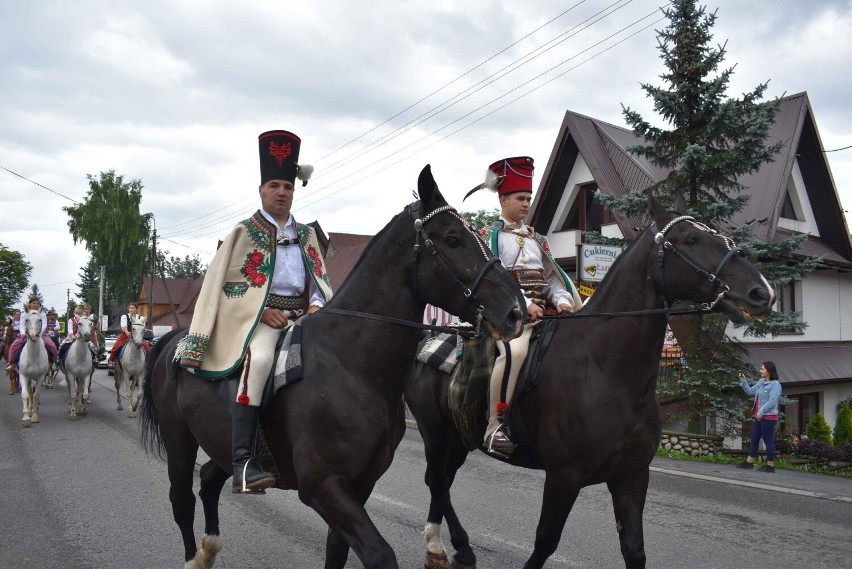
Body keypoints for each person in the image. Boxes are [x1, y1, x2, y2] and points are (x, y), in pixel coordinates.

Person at [178, 129, 333, 493]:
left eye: (288, 187)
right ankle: (243, 461)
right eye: (275, 185)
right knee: (261, 360)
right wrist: (262, 312)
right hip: (261, 322)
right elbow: (226, 287)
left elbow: (321, 281)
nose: (282, 192)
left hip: (303, 318)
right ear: (262, 191)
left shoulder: (308, 236)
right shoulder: (244, 232)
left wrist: (316, 304)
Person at [465, 157, 582, 456]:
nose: (526, 203)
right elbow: (497, 282)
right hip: (511, 317)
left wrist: (563, 300)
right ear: (503, 199)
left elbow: (553, 279)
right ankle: (495, 425)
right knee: (514, 352)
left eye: (529, 198)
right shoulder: (489, 239)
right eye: (520, 198)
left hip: (548, 315)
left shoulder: (537, 240)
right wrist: (526, 303)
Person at [737, 361, 783, 472]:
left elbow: (772, 402)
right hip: (759, 417)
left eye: (762, 369)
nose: (760, 371)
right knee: (754, 439)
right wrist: (743, 380)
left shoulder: (775, 385)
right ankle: (749, 462)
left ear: (769, 371)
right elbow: (749, 391)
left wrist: (761, 412)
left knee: (768, 441)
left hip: (768, 417)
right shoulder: (761, 382)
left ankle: (770, 465)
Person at [6, 297, 58, 367]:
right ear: (29, 304)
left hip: (41, 334)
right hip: (26, 334)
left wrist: (39, 334)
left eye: (37, 303)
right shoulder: (24, 314)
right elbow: (21, 325)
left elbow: (44, 325)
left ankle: (53, 363)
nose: (36, 305)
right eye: (34, 303)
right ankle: (11, 362)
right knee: (14, 346)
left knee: (52, 346)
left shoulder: (42, 314)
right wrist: (23, 333)